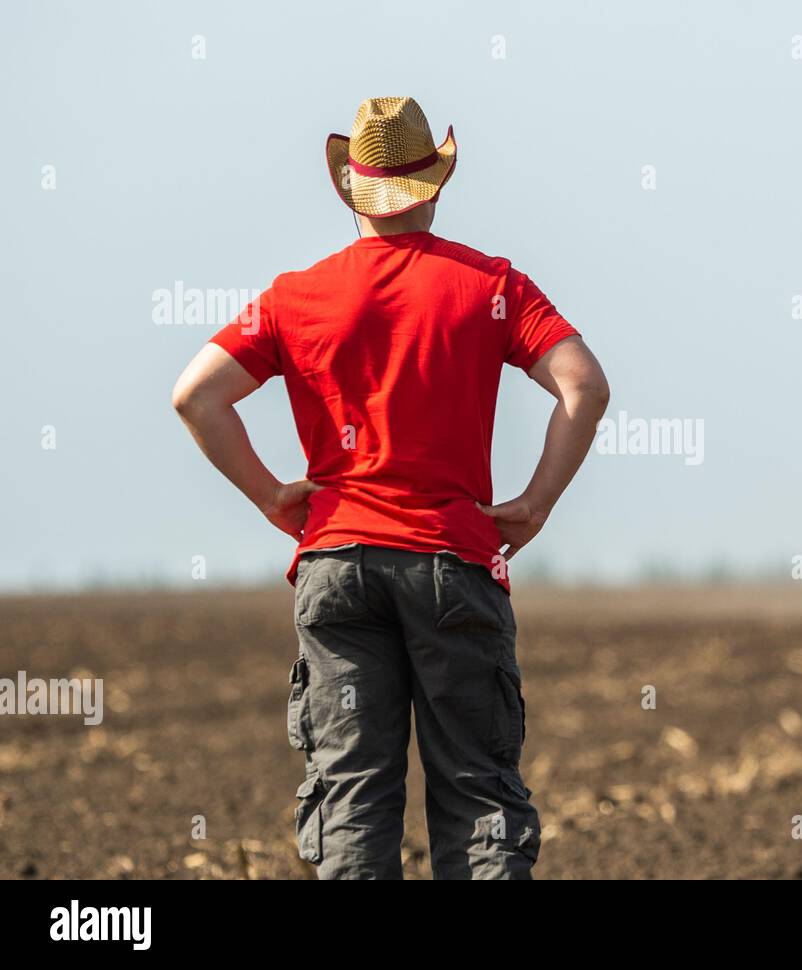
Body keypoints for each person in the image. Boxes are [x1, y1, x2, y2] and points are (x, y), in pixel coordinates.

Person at [171, 96, 609, 879]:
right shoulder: (492, 285)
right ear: (436, 187)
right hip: (453, 562)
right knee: (478, 795)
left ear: (349, 191)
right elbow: (584, 385)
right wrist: (536, 503)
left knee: (351, 799)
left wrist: (273, 495)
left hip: (337, 569)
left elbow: (195, 395)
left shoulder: (293, 296)